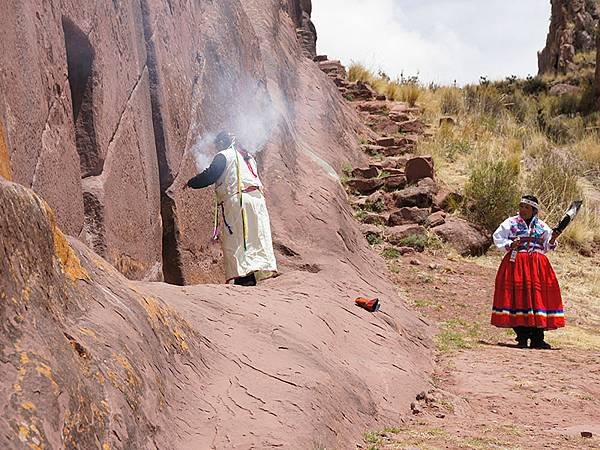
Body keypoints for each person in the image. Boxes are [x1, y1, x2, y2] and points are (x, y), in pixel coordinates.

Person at [186, 131, 277, 286]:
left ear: (222, 143)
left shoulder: (224, 155)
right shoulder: (247, 156)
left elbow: (210, 175)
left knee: (238, 241)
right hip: (257, 201)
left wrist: (190, 183)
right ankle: (250, 279)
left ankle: (244, 280)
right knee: (254, 240)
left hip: (239, 201)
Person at [491, 195, 564, 349]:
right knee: (518, 297)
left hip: (537, 266)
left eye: (527, 207)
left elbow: (547, 246)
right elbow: (498, 238)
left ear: (534, 210)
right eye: (521, 206)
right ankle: (522, 337)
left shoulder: (542, 226)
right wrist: (511, 243)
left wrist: (552, 239)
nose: (523, 210)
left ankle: (538, 338)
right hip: (516, 263)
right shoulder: (510, 223)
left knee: (538, 298)